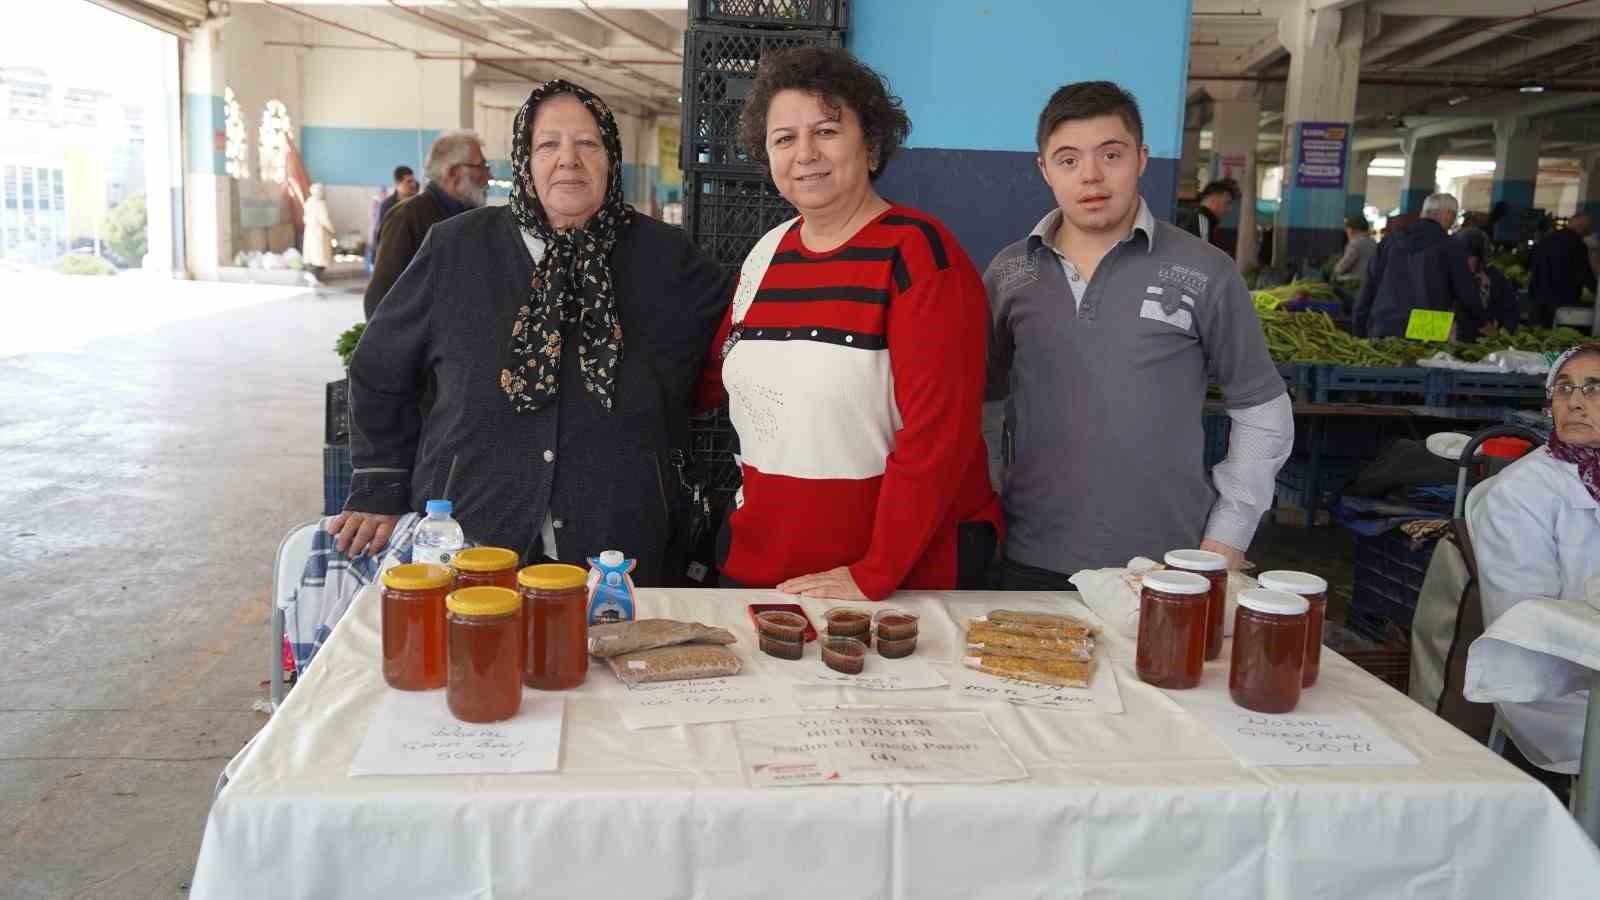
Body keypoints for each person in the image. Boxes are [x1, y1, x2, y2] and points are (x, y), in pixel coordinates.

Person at [331, 80, 731, 585]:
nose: (568, 159)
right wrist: (379, 486)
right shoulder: (456, 249)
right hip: (471, 525)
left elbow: (742, 345)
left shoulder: (667, 258)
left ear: (612, 158)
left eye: (588, 143)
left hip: (619, 535)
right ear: (524, 159)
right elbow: (377, 369)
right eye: (548, 145)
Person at [698, 46, 1002, 601]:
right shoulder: (766, 253)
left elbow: (939, 438)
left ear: (872, 144)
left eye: (828, 131)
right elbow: (717, 375)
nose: (805, 153)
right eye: (784, 138)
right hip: (762, 562)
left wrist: (876, 572)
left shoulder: (919, 255)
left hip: (889, 580)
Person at [985, 81, 1292, 586]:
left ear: (1141, 158)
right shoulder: (1011, 271)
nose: (1091, 176)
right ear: (1044, 169)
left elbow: (1262, 409)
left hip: (1166, 562)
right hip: (1027, 555)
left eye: (1111, 154)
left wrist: (1228, 538)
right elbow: (983, 404)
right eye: (1067, 160)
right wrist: (992, 496)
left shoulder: (1205, 270)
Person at [1468, 343, 1600, 773]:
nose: (1576, 401)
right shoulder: (1520, 493)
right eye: (1564, 388)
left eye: (1594, 389)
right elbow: (1527, 623)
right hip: (1556, 684)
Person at [364, 131, 490, 319]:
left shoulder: (473, 217)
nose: (489, 175)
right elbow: (378, 302)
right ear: (453, 173)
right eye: (482, 166)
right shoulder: (407, 217)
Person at [1353, 192, 1480, 340]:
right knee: (1424, 361)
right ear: (1447, 214)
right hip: (1430, 323)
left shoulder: (1390, 241)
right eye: (1454, 216)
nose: (1453, 222)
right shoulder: (1450, 246)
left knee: (1387, 361)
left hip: (1386, 321)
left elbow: (1369, 286)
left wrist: (1358, 328)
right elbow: (1465, 290)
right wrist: (1482, 321)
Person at [1529, 212, 1596, 328]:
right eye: (1588, 228)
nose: (1589, 232)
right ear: (1581, 226)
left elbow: (1532, 265)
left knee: (1541, 334)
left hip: (1538, 299)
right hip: (1562, 301)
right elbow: (1584, 274)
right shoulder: (1577, 245)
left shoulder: (1547, 239)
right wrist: (1596, 290)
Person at [1456, 227, 1520, 335]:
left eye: (1470, 257)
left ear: (1481, 257)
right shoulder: (1448, 276)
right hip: (1455, 339)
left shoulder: (1496, 278)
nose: (1465, 261)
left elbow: (1510, 311)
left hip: (1485, 341)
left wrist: (1501, 333)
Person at [368, 165, 418, 271]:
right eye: (409, 181)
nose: (413, 184)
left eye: (413, 181)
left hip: (414, 257)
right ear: (397, 184)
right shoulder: (387, 206)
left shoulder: (419, 203)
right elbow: (381, 233)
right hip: (393, 257)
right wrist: (376, 257)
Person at [1177, 178, 1239, 251]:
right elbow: (1203, 255)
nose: (1229, 210)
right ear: (1213, 200)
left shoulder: (1200, 218)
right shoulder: (1202, 220)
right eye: (1227, 203)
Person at [301, 182, 335, 282]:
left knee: (312, 254)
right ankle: (315, 276)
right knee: (320, 255)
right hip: (319, 232)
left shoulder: (308, 202)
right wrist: (332, 230)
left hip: (310, 231)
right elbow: (325, 219)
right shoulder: (320, 204)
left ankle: (312, 274)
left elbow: (305, 217)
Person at [1332, 214, 1376, 282]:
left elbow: (1343, 266)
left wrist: (1333, 272)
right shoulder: (1373, 242)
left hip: (1356, 281)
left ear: (1351, 230)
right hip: (1370, 281)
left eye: (1347, 229)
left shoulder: (1356, 243)